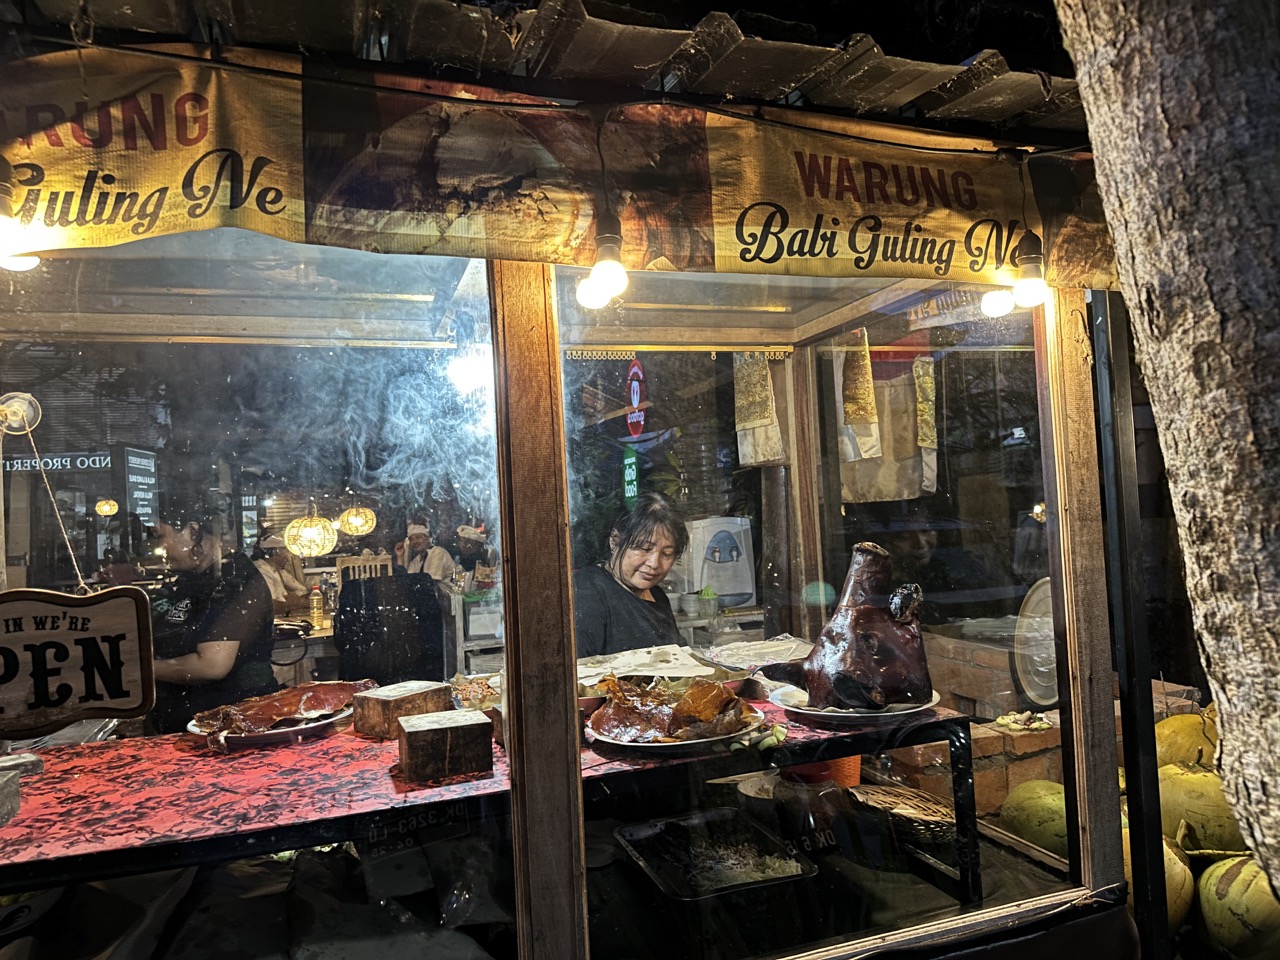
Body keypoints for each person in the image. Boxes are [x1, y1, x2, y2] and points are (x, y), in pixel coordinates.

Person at [147, 504, 278, 733]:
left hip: (228, 728)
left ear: (193, 530)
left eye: (161, 536)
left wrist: (137, 671)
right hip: (189, 724)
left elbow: (212, 665)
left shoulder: (233, 580)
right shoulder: (194, 577)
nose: (159, 547)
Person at [573, 492, 690, 658]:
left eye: (667, 553)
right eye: (644, 548)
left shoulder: (658, 595)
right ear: (615, 540)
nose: (654, 563)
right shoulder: (588, 590)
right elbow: (581, 673)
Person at [253, 534, 310, 615]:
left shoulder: (278, 570)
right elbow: (271, 606)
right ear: (273, 553)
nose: (288, 556)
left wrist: (295, 598)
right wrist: (294, 602)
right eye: (284, 551)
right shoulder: (262, 570)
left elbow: (303, 590)